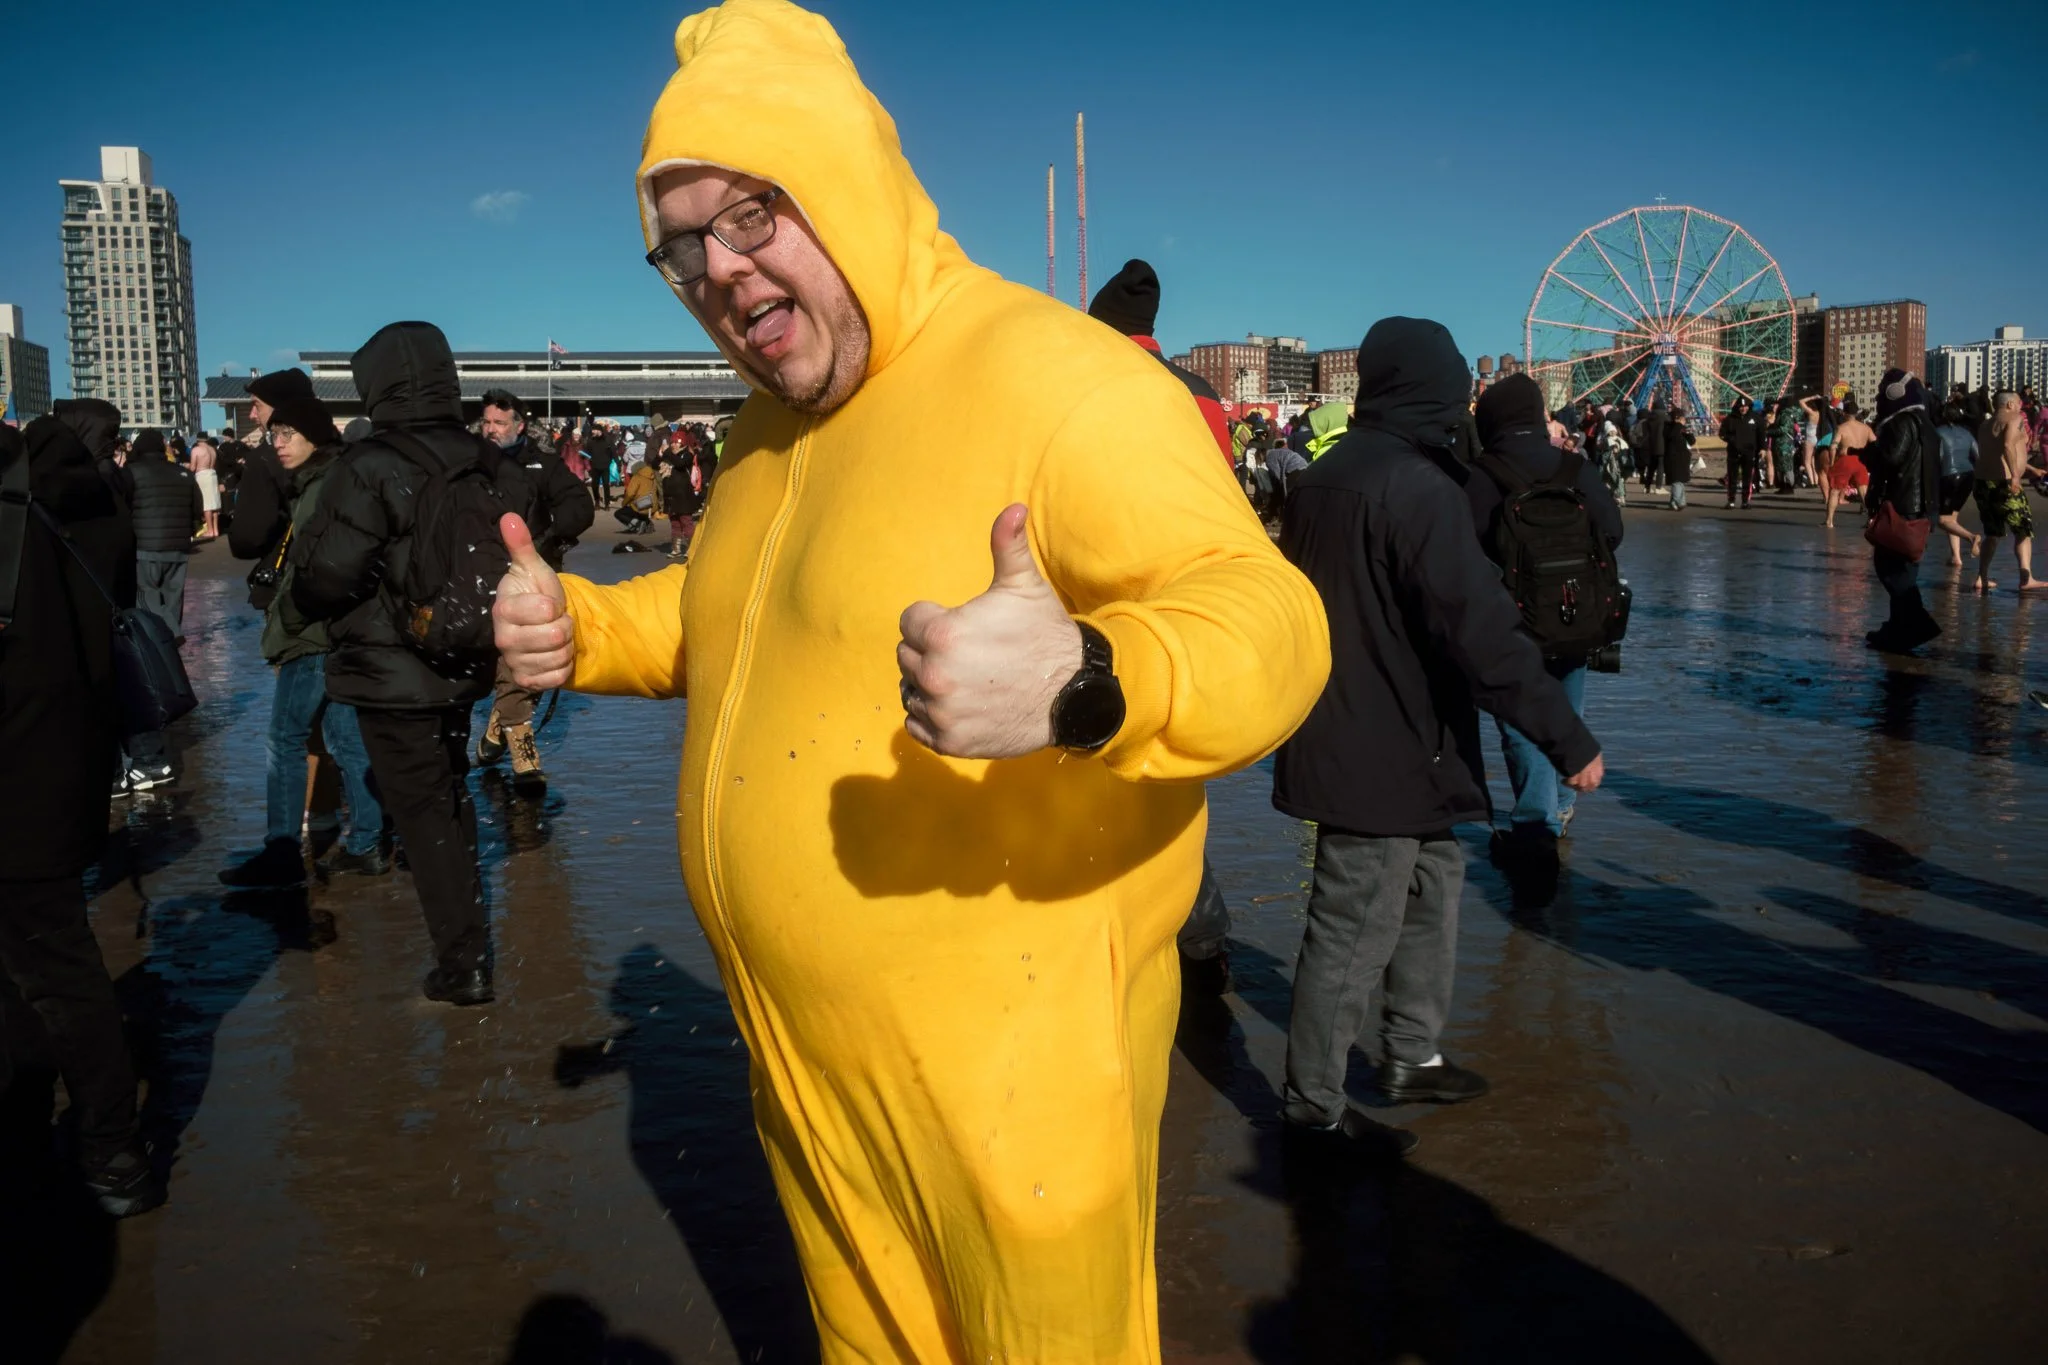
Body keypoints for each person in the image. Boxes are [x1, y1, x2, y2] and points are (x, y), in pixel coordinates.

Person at [491, 3, 1329, 1355]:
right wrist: (581, 630)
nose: (722, 271)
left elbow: (1271, 619)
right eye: (684, 248)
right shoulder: (769, 429)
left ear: (848, 184)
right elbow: (742, 628)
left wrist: (1087, 683)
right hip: (805, 1063)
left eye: (753, 213)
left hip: (1016, 1080)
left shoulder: (1060, 383)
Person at [1271, 319, 1603, 1151]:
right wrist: (1567, 739)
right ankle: (1313, 1111)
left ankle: (1410, 1053)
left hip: (1387, 735)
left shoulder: (1326, 475)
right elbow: (1481, 629)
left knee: (1432, 886)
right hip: (1379, 743)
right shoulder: (1416, 489)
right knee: (1353, 925)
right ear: (1434, 390)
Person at [288, 322, 535, 1007]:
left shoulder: (369, 463)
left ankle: (464, 963)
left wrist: (309, 593)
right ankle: (466, 940)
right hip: (464, 650)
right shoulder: (487, 459)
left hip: (387, 663)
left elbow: (327, 578)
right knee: (445, 789)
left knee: (423, 805)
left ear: (379, 384)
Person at [0, 418, 166, 1218]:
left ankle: (110, 1147)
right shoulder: (81, 492)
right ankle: (84, 1142)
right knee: (44, 959)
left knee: (50, 970)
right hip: (71, 759)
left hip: (17, 767)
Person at [218, 394, 390, 886]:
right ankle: (366, 843)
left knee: (286, 738)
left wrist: (293, 614)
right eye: (275, 435)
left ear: (313, 436)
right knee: (344, 738)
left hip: (312, 633)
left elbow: (325, 564)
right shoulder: (324, 480)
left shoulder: (319, 487)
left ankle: (281, 851)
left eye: (286, 435)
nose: (278, 444)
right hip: (331, 630)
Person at [1467, 374, 1622, 848]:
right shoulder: (1575, 469)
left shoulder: (1478, 476)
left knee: (1520, 719)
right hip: (1574, 614)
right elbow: (1612, 533)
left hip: (1508, 619)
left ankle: (1537, 822)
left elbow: (1462, 550)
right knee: (1566, 707)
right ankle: (1559, 806)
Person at [474, 388, 595, 791]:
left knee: (529, 665)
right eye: (486, 422)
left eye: (499, 423)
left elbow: (579, 505)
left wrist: (549, 542)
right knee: (506, 663)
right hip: (482, 575)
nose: (491, 430)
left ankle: (520, 750)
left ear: (519, 426)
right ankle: (500, 729)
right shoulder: (470, 465)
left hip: (531, 575)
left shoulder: (541, 466)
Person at [1863, 370, 1942, 652]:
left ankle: (1913, 626)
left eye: (1882, 389)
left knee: (1893, 572)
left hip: (1903, 506)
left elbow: (1891, 458)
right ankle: (1898, 627)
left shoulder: (1901, 422)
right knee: (1904, 569)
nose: (1878, 396)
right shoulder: (1926, 424)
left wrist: (1869, 453)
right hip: (1923, 507)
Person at [125, 428, 202, 634]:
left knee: (147, 595)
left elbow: (123, 506)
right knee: (173, 597)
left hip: (145, 544)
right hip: (179, 546)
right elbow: (197, 508)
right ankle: (171, 638)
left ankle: (169, 636)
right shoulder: (183, 473)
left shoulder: (131, 472)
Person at [1973, 390, 2039, 593]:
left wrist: (2030, 468)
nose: (2021, 406)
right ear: (2010, 404)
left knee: (1992, 533)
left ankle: (1981, 578)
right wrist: (2016, 476)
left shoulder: (1985, 425)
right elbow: (2008, 445)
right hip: (2005, 482)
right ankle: (2026, 578)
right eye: (2019, 403)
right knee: (2023, 530)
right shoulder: (2015, 418)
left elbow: (1993, 453)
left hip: (1983, 483)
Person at [1934, 399, 1980, 569]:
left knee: (1941, 520)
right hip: (1968, 477)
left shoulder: (1937, 432)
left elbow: (1937, 458)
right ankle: (1956, 557)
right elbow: (1977, 456)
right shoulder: (1967, 433)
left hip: (1948, 478)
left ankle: (1971, 537)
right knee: (1951, 518)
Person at [1824, 399, 1874, 528]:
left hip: (1845, 459)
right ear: (1857, 413)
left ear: (1844, 413)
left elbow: (1833, 446)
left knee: (1834, 491)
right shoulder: (1866, 428)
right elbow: (1875, 443)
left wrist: (1831, 462)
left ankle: (1829, 521)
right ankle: (1871, 520)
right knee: (1863, 492)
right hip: (1861, 460)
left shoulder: (1841, 428)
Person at [1720, 397, 1761, 508]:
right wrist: (1732, 440)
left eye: (1745, 406)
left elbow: (1761, 435)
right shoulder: (1730, 419)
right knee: (1732, 477)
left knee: (1747, 478)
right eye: (1741, 407)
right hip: (1733, 452)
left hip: (1749, 452)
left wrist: (1763, 448)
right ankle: (1731, 501)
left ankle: (1745, 501)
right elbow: (1722, 434)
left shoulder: (1755, 418)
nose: (1743, 409)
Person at [190, 434, 221, 539]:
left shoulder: (196, 449)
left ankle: (210, 530)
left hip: (202, 475)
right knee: (214, 504)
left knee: (207, 505)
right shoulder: (212, 449)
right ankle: (216, 529)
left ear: (197, 439)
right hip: (213, 474)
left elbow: (193, 467)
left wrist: (186, 467)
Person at [1663, 410, 1694, 509]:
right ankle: (1680, 502)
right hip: (1673, 458)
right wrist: (1679, 425)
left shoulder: (1681, 428)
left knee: (1680, 481)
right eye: (1682, 418)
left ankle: (1673, 503)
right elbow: (1672, 436)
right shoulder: (1669, 427)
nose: (1684, 420)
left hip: (1683, 458)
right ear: (1676, 418)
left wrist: (1688, 432)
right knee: (1677, 481)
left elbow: (1692, 441)